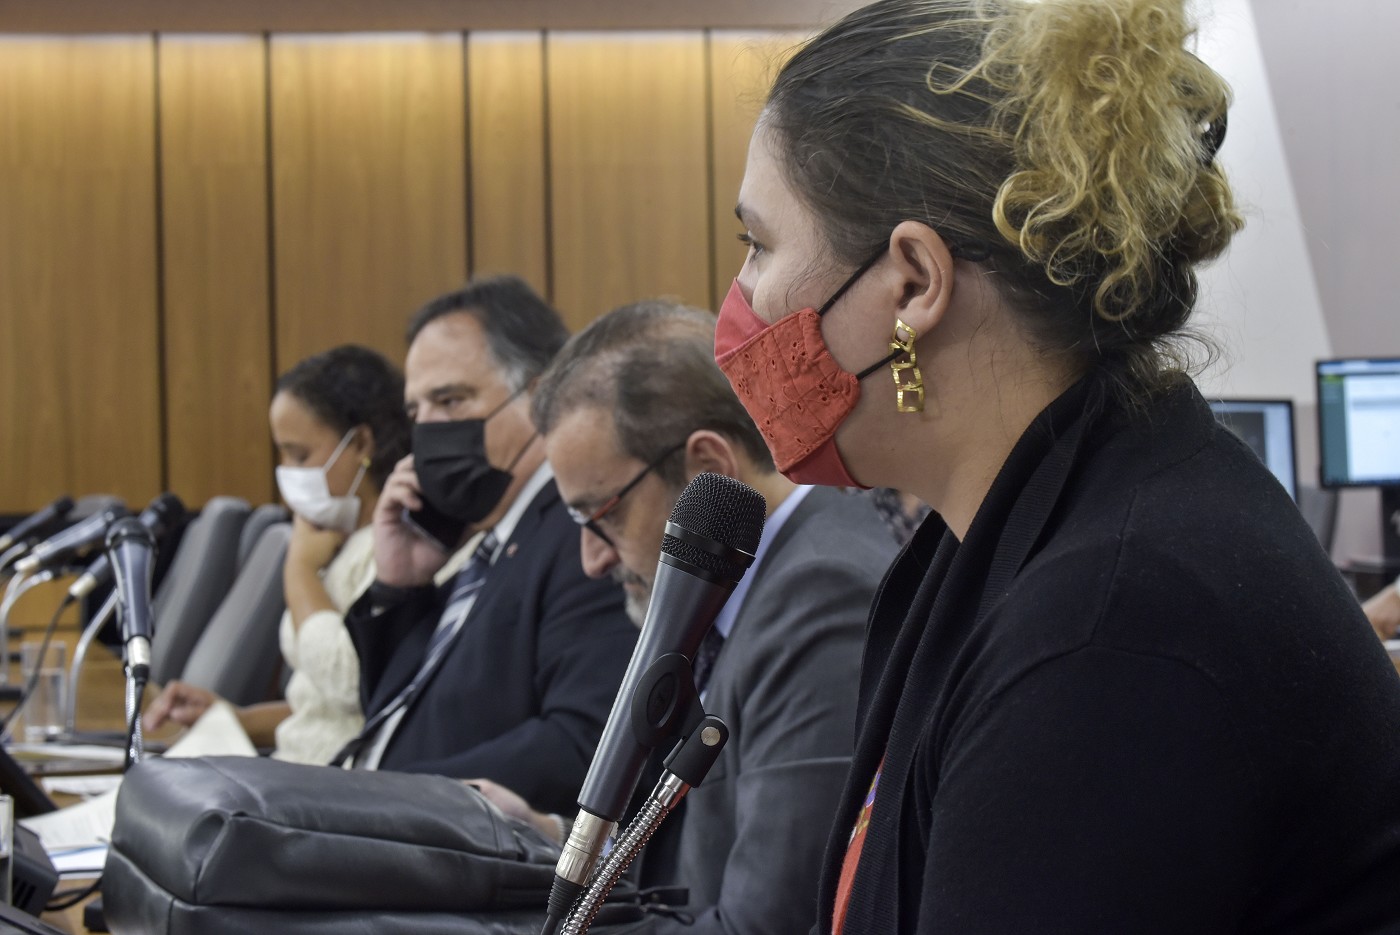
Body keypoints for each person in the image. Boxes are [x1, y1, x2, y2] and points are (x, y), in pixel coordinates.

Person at [716, 1, 1400, 932]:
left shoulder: (1109, 626)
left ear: (913, 281)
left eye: (758, 245)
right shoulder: (1034, 521)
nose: (742, 297)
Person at [473, 299, 894, 933]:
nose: (591, 560)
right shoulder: (745, 592)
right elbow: (698, 864)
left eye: (604, 515)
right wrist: (552, 836)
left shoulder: (820, 598)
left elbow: (764, 926)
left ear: (708, 469)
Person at [338, 275, 638, 817]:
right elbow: (397, 717)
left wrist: (381, 798)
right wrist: (400, 588)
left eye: (450, 400)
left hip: (462, 847)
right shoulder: (489, 544)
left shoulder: (582, 532)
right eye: (417, 413)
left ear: (542, 397)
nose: (428, 433)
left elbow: (582, 741)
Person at [144, 344, 410, 765]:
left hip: (334, 786)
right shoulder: (336, 544)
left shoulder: (400, 552)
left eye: (300, 454)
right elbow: (323, 711)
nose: (287, 470)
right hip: (289, 769)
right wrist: (237, 718)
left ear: (361, 443)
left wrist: (299, 569)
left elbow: (351, 684)